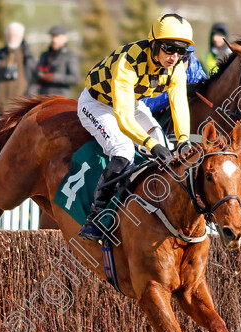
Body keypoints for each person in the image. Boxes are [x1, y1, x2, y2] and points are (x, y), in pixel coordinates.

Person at [76, 14, 195, 242]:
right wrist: (150, 144)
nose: (175, 56)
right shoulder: (128, 61)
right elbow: (123, 117)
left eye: (182, 51)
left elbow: (178, 103)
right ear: (154, 44)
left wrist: (183, 139)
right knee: (124, 150)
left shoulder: (177, 67)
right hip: (98, 104)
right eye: (169, 48)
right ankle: (97, 216)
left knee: (166, 150)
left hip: (132, 103)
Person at [141, 44, 208, 123]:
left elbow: (206, 88)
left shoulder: (193, 63)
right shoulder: (153, 63)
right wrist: (180, 92)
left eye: (183, 58)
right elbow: (144, 104)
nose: (176, 62)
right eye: (171, 55)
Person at [0, 22, 37, 116]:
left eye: (15, 35)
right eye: (10, 35)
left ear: (21, 37)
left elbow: (35, 80)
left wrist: (28, 99)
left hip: (20, 108)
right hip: (0, 107)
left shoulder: (27, 57)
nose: (12, 37)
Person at [29, 25, 80, 97]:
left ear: (65, 38)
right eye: (53, 36)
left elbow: (75, 79)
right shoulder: (44, 55)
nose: (54, 40)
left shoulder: (70, 55)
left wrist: (53, 78)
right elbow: (36, 74)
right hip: (43, 96)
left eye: (57, 37)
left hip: (60, 98)